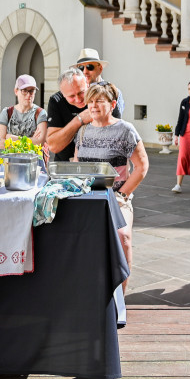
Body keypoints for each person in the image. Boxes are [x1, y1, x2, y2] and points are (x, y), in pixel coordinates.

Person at [73, 81, 149, 292]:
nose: (93, 105)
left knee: (123, 237)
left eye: (99, 101)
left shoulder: (125, 130)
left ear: (113, 103)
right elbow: (78, 165)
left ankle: (119, 298)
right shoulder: (83, 131)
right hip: (86, 197)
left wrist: (122, 196)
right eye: (90, 101)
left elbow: (142, 166)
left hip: (116, 198)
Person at [45, 68, 119, 161]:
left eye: (81, 92)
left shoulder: (104, 97)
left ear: (87, 85)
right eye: (71, 96)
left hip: (99, 164)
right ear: (63, 94)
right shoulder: (56, 101)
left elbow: (117, 135)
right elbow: (53, 146)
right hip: (66, 164)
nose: (78, 99)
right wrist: (79, 120)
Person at [0, 74, 47, 146]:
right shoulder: (6, 112)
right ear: (16, 91)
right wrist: (31, 140)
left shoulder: (40, 113)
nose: (28, 95)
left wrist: (12, 138)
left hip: (34, 157)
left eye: (32, 91)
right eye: (24, 90)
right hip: (11, 157)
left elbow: (40, 142)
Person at [74, 48, 124, 115]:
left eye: (90, 67)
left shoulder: (114, 92)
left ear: (100, 68)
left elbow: (117, 121)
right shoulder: (73, 93)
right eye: (81, 68)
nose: (85, 71)